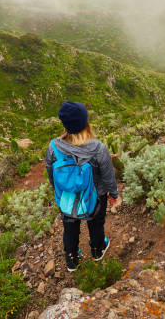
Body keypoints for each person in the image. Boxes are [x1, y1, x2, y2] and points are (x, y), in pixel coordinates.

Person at [45, 101, 118, 271]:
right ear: (86, 123)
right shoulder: (97, 148)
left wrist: (57, 190)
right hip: (95, 196)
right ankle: (97, 249)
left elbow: (50, 172)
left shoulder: (53, 147)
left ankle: (72, 259)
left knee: (69, 226)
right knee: (95, 224)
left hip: (67, 196)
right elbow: (108, 175)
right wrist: (113, 193)